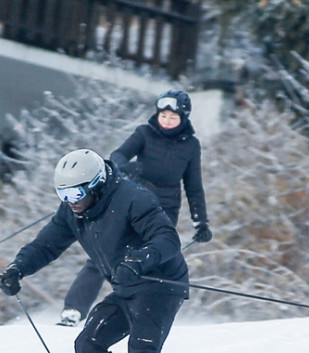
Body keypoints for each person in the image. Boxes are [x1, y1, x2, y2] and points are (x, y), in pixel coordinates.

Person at [0, 148, 197, 353]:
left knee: (143, 349)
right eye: (62, 193)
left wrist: (139, 260)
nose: (71, 200)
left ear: (96, 183)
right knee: (88, 345)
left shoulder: (133, 198)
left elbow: (167, 240)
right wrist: (17, 268)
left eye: (76, 192)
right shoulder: (72, 212)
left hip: (159, 284)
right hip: (126, 288)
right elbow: (46, 244)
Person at [59, 89, 212, 327]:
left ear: (183, 118)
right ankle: (73, 310)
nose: (167, 121)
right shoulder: (144, 133)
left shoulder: (191, 145)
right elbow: (118, 155)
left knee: (150, 261)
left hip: (164, 211)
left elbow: (193, 185)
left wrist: (200, 221)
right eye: (164, 116)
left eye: (173, 117)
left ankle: (143, 314)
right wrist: (126, 169)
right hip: (129, 204)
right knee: (104, 255)